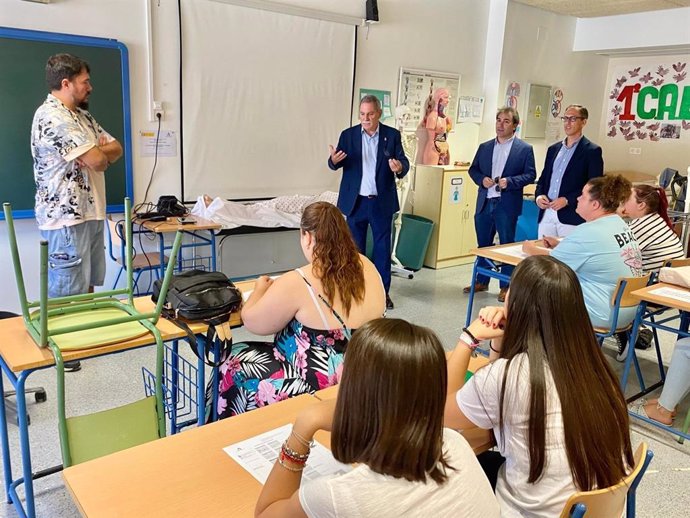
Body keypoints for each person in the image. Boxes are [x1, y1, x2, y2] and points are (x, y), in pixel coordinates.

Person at [445, 256, 634, 518]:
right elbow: (498, 397)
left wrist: (468, 338)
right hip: (597, 508)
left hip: (534, 512)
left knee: (452, 472)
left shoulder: (509, 376)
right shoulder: (594, 366)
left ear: (517, 304)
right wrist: (501, 340)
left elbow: (446, 414)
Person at [255, 318, 501, 518]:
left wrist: (304, 426)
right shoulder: (454, 443)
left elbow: (266, 513)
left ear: (354, 394)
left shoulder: (337, 495)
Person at [211, 202, 385, 418]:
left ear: (308, 237)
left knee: (233, 359)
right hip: (370, 369)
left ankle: (222, 431)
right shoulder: (367, 265)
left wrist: (259, 290)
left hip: (324, 382)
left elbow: (252, 321)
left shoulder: (301, 280)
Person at [31, 53, 123, 371]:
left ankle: (81, 342)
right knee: (65, 289)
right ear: (66, 83)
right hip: (65, 218)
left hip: (91, 212)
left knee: (86, 285)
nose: (91, 87)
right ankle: (64, 355)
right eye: (85, 82)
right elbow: (98, 160)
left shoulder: (82, 117)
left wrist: (98, 152)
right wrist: (96, 153)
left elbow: (115, 148)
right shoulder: (52, 117)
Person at [523, 175, 643, 342]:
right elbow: (594, 251)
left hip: (601, 311)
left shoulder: (590, 231)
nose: (578, 199)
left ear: (595, 204)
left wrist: (530, 249)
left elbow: (552, 264)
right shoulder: (619, 224)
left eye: (583, 195)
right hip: (628, 310)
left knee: (531, 294)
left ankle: (539, 354)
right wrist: (559, 244)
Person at [328, 95, 409, 310]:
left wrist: (399, 168)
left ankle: (383, 293)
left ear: (379, 113)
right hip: (356, 202)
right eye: (362, 114)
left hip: (381, 202)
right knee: (355, 250)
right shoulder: (348, 135)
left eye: (370, 114)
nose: (366, 118)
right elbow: (336, 161)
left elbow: (404, 162)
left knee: (382, 250)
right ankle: (356, 291)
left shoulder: (391, 136)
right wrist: (333, 162)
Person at [464, 107, 536, 302]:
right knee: (483, 244)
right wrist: (482, 180)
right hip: (485, 201)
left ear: (515, 125)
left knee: (506, 246)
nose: (500, 124)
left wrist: (509, 182)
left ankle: (506, 286)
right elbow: (473, 170)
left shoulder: (524, 149)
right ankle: (482, 280)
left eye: (506, 121)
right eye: (498, 120)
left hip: (506, 203)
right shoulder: (485, 146)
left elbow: (531, 174)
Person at [535, 104, 603, 238]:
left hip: (571, 214)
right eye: (565, 119)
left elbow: (594, 185)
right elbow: (543, 179)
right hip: (547, 211)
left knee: (566, 257)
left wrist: (568, 200)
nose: (567, 123)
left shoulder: (592, 151)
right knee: (542, 256)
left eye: (572, 119)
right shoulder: (553, 149)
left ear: (583, 122)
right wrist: (539, 196)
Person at [619, 184, 684, 273]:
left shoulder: (642, 227)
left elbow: (617, 253)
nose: (622, 202)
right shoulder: (655, 219)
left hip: (657, 282)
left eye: (627, 199)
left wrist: (616, 214)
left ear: (641, 205)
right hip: (673, 277)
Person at [417, 87, 452, 166]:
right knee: (432, 174)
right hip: (433, 148)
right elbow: (431, 139)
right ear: (439, 98)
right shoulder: (432, 118)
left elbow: (445, 136)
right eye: (445, 97)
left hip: (444, 147)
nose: (448, 100)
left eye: (448, 97)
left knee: (444, 174)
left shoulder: (446, 118)